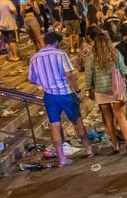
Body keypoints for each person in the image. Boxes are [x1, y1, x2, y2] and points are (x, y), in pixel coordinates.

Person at [28, 31, 94, 167]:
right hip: (65, 93)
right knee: (77, 121)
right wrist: (77, 91)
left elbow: (32, 80)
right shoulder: (60, 54)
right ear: (56, 42)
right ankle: (88, 149)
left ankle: (62, 158)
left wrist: (45, 82)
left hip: (49, 96)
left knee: (55, 125)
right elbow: (69, 75)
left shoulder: (34, 58)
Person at [84, 27, 127, 155]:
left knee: (108, 120)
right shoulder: (115, 53)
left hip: (101, 91)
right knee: (121, 117)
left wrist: (89, 89)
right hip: (116, 89)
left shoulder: (91, 56)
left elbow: (88, 74)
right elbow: (123, 70)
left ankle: (115, 145)